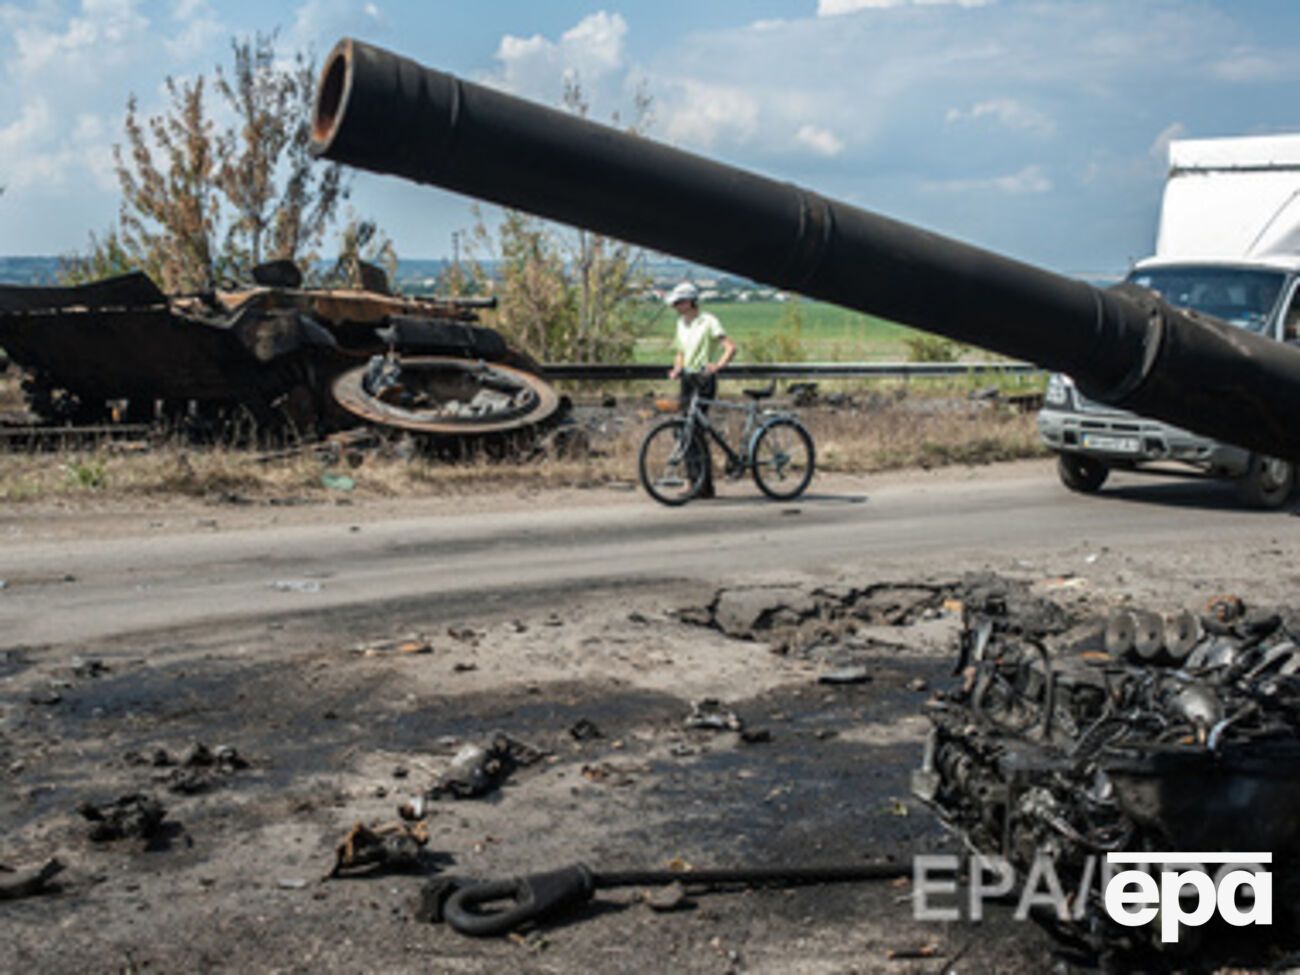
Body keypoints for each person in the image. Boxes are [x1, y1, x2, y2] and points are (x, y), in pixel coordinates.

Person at [665, 282, 736, 498]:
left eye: (679, 302)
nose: (676, 306)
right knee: (684, 429)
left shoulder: (708, 321)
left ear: (690, 301)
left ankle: (700, 483)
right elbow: (680, 351)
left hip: (704, 379)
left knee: (694, 428)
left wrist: (717, 366)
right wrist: (677, 368)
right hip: (687, 378)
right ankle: (697, 482)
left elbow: (730, 347)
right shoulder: (681, 323)